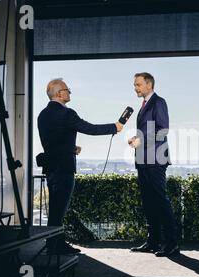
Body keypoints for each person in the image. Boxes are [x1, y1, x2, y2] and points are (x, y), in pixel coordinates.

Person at [38, 78, 123, 254]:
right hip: (64, 168)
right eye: (67, 89)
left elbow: (53, 141)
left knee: (54, 209)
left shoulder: (43, 114)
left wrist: (71, 148)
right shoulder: (66, 113)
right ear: (59, 93)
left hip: (51, 167)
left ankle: (53, 243)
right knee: (59, 210)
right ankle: (56, 246)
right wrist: (114, 127)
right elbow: (89, 128)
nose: (70, 92)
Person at [129, 72, 179, 257]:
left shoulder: (158, 102)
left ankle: (172, 244)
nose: (135, 87)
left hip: (156, 160)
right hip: (143, 160)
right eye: (135, 85)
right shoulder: (143, 106)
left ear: (149, 84)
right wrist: (136, 138)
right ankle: (153, 242)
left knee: (160, 201)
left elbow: (163, 129)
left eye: (138, 84)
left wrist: (140, 140)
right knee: (148, 202)